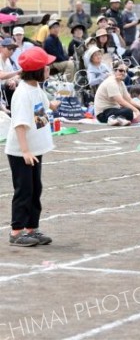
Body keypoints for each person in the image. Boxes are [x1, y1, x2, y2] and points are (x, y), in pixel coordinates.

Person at [5, 47, 59, 246]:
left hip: (34, 150)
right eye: (46, 66)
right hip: (21, 151)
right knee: (24, 190)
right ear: (36, 70)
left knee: (36, 189)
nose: (49, 69)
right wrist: (25, 151)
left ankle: (32, 229)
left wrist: (54, 104)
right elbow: (19, 124)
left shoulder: (36, 88)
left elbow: (46, 105)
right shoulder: (22, 93)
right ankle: (17, 232)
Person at [94, 61, 140, 126]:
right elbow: (121, 101)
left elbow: (129, 100)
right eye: (121, 70)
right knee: (129, 111)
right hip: (103, 113)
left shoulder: (121, 83)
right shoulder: (111, 82)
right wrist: (136, 111)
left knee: (137, 110)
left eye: (125, 71)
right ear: (114, 71)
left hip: (115, 109)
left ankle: (119, 118)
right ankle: (112, 118)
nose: (123, 73)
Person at [0, 38, 21, 109]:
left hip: (6, 88)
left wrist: (12, 80)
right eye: (10, 48)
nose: (12, 51)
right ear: (2, 48)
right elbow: (1, 76)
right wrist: (18, 72)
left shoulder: (8, 60)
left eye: (14, 49)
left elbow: (12, 76)